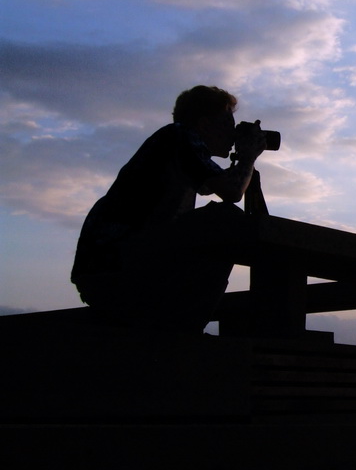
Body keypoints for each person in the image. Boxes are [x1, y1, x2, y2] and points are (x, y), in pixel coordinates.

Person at [71, 85, 269, 333]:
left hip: (111, 269)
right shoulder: (178, 136)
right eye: (229, 124)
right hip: (117, 269)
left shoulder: (178, 147)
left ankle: (179, 328)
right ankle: (182, 331)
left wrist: (245, 160)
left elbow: (225, 186)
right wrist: (247, 157)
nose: (233, 134)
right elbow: (232, 192)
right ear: (205, 124)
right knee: (224, 221)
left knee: (217, 224)